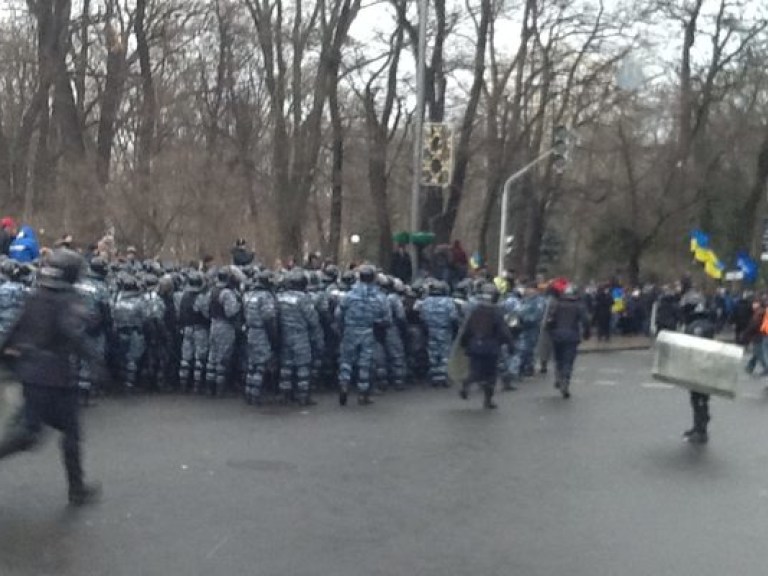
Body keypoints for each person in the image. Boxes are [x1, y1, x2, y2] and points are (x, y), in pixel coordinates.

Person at [0, 248, 102, 506]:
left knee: (32, 432)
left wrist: (6, 358)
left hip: (31, 372)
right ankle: (77, 490)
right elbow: (71, 332)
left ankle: (78, 489)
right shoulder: (67, 299)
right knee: (61, 432)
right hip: (55, 375)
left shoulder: (35, 296)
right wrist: (94, 359)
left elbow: (15, 328)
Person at [337, 264, 391, 406]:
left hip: (350, 330)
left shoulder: (349, 295)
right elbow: (387, 319)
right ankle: (363, 394)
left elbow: (338, 313)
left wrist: (342, 327)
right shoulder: (379, 297)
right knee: (365, 363)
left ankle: (344, 384)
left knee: (346, 360)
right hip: (368, 331)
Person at [459, 283, 514, 409]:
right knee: (490, 374)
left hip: (475, 346)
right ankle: (488, 400)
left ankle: (467, 383)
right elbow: (503, 331)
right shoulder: (496, 312)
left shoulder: (474, 311)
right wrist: (510, 345)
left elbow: (467, 330)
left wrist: (464, 344)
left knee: (475, 371)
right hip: (491, 348)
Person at [679, 294, 716, 444]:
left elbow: (691, 347)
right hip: (705, 367)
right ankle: (698, 426)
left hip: (699, 367)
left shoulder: (696, 327)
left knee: (698, 398)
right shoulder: (707, 324)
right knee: (699, 398)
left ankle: (701, 430)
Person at [546, 284, 590, 398]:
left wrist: (550, 331)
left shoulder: (556, 304)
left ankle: (558, 377)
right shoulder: (578, 305)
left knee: (558, 358)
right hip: (572, 336)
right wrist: (586, 333)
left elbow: (549, 320)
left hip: (557, 335)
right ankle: (565, 381)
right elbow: (585, 320)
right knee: (568, 361)